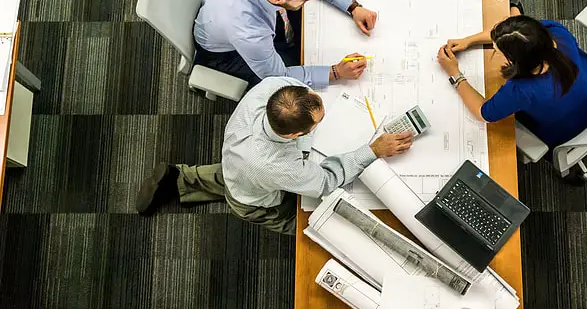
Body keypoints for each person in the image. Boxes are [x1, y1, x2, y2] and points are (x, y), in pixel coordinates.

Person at [135, 77, 413, 235]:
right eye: (318, 122)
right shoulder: (277, 166)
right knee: (306, 223)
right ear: (295, 136)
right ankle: (311, 232)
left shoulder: (273, 88)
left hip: (237, 160)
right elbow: (326, 181)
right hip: (254, 198)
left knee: (233, 175)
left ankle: (179, 178)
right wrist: (372, 150)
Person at [436, 0, 587, 163]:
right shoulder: (555, 33)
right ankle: (516, 7)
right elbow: (516, 32)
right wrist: (469, 40)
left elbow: (483, 113)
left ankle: (515, 7)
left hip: (570, 131)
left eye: (498, 51)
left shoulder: (521, 90)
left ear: (515, 60)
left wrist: (454, 73)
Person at [194, 0, 379, 89]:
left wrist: (352, 6)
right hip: (224, 53)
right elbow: (278, 75)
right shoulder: (248, 31)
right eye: (304, 0)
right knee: (291, 79)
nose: (310, 1)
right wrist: (335, 72)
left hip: (224, 8)